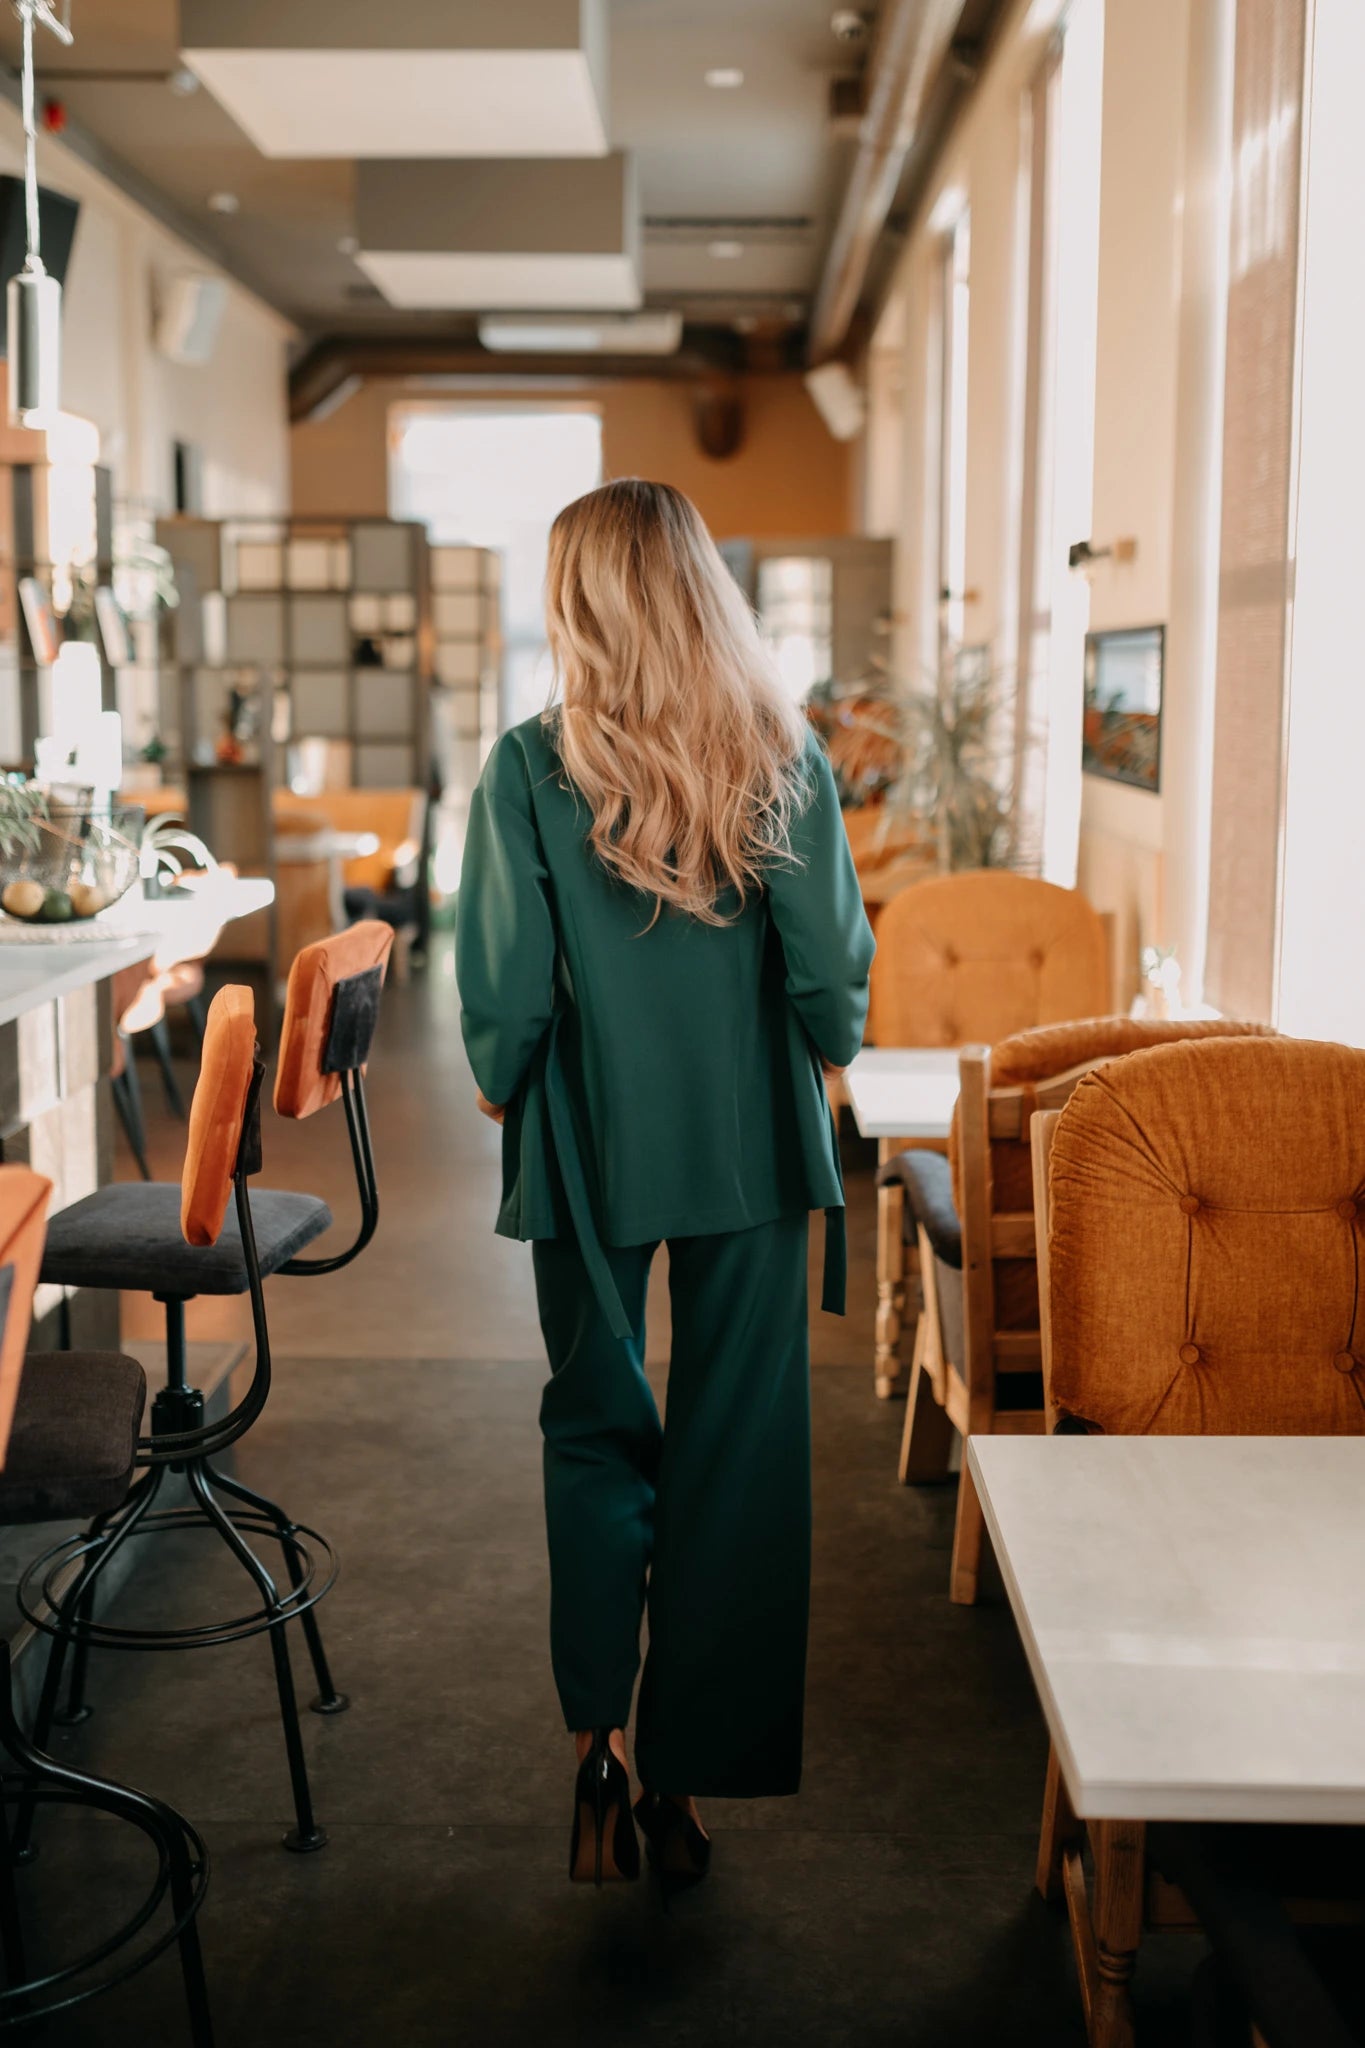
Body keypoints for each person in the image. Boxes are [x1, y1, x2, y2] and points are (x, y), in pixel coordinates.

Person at [455, 479, 874, 1891]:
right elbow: (826, 976)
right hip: (751, 1134)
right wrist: (827, 1049)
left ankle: (595, 1751)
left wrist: (500, 1077)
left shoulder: (527, 763)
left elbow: (505, 990)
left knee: (589, 1426)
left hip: (590, 1138)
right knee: (738, 1450)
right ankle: (684, 1778)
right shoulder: (781, 753)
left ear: (577, 600)